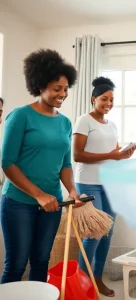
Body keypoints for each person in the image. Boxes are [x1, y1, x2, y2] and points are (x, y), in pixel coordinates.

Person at [0, 49, 83, 284]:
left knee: (41, 261)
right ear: (40, 86)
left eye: (66, 89)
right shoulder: (20, 116)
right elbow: (7, 163)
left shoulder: (65, 123)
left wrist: (72, 190)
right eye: (57, 88)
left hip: (52, 204)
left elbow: (65, 164)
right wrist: (38, 195)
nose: (63, 94)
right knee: (16, 265)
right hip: (18, 202)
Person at [73, 76, 136, 297]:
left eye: (111, 99)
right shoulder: (84, 120)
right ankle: (82, 282)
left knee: (107, 233)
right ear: (93, 99)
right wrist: (111, 155)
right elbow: (77, 155)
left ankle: (97, 278)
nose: (108, 103)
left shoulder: (112, 125)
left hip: (109, 183)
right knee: (94, 235)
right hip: (89, 183)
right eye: (104, 99)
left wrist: (123, 155)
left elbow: (113, 153)